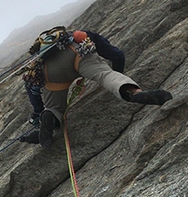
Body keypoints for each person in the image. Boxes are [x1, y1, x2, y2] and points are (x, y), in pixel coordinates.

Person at [20, 27, 172, 148]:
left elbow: (32, 87)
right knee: (106, 75)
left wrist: (38, 112)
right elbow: (117, 55)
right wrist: (117, 74)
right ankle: (132, 92)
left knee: (54, 107)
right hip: (78, 54)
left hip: (51, 71)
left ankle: (50, 116)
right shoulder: (82, 35)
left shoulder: (40, 59)